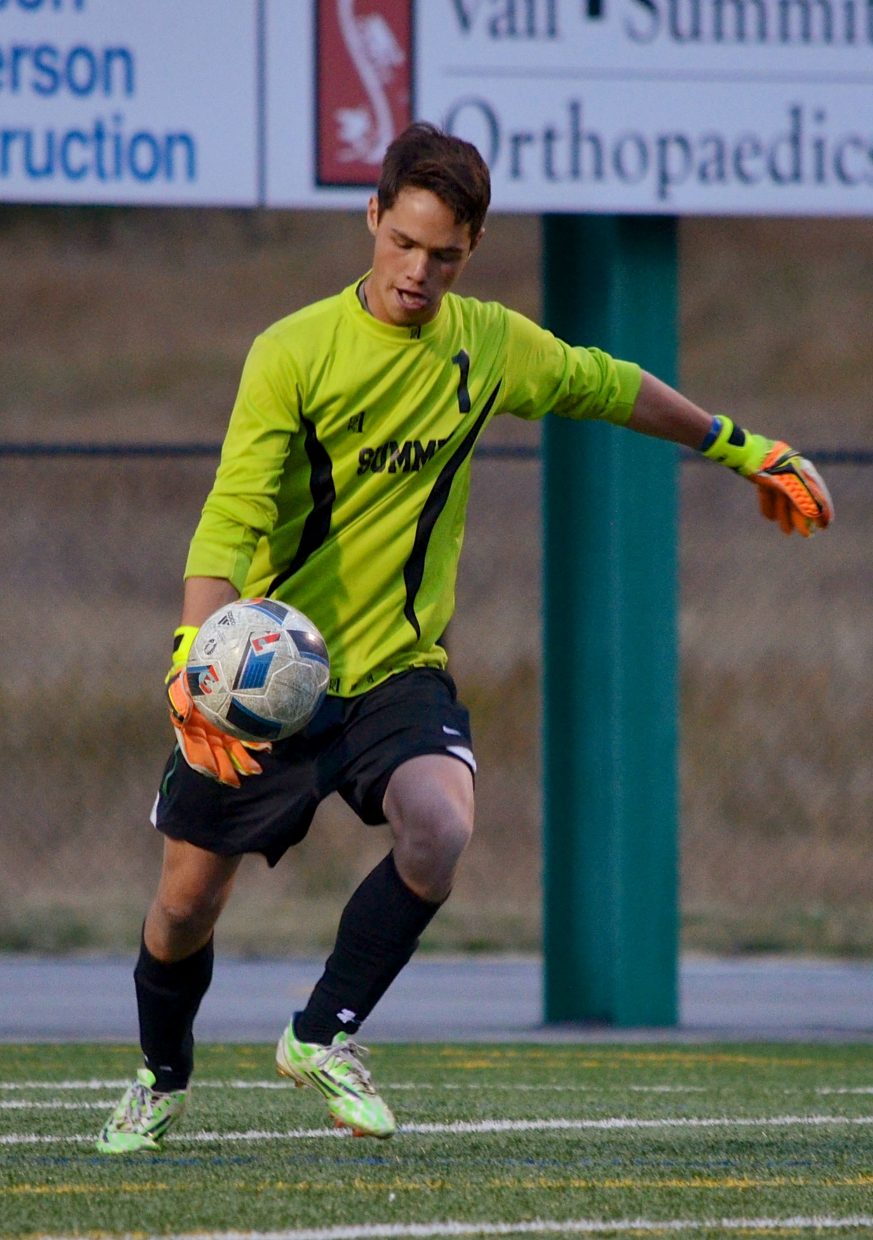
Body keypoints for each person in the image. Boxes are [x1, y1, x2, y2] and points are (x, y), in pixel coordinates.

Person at [96, 122, 833, 1153]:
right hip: (266, 679)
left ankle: (322, 1035)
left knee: (440, 827)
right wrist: (189, 662)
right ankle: (159, 1078)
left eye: (443, 254)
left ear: (473, 246)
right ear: (372, 216)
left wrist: (743, 447)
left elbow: (606, 381)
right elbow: (229, 519)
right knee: (181, 907)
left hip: (397, 667)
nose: (416, 271)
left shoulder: (484, 345)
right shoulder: (293, 352)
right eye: (402, 242)